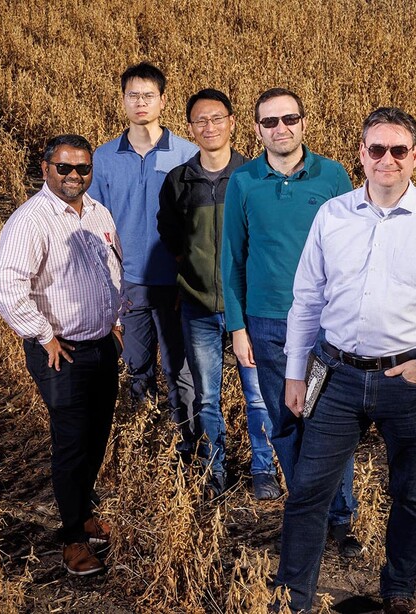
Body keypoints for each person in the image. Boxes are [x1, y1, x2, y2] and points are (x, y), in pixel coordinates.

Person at [275, 108, 416, 613]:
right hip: (339, 375)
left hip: (409, 380)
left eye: (397, 150)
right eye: (376, 150)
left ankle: (398, 590)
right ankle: (292, 598)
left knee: (411, 493)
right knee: (307, 491)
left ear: (415, 156)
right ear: (362, 155)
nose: (386, 160)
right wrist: (295, 372)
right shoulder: (334, 215)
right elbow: (306, 299)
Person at [221, 88, 361, 556]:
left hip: (325, 326)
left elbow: (358, 249)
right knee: (284, 420)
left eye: (289, 118)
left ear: (303, 122)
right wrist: (238, 327)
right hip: (266, 323)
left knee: (330, 423)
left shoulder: (334, 175)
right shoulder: (243, 182)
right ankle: (308, 511)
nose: (281, 128)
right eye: (270, 122)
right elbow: (232, 258)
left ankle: (340, 517)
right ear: (256, 129)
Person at [0, 134, 124, 576]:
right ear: (45, 168)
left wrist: (116, 322)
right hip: (61, 352)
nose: (73, 176)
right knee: (71, 444)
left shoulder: (98, 212)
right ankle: (72, 541)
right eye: (64, 168)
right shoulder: (31, 220)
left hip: (101, 345)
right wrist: (42, 335)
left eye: (83, 169)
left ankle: (83, 513)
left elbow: (113, 270)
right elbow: (7, 287)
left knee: (96, 437)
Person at [157, 88, 280, 500]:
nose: (209, 127)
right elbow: (171, 237)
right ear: (190, 128)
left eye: (217, 119)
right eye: (200, 121)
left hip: (249, 308)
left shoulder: (254, 177)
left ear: (231, 122)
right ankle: (215, 470)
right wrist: (192, 277)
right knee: (208, 397)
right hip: (198, 308)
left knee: (258, 396)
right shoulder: (179, 181)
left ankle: (264, 469)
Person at [88, 62, 199, 446]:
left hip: (175, 281)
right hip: (128, 281)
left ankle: (186, 441)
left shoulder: (187, 154)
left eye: (148, 95)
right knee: (137, 367)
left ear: (162, 101)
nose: (140, 102)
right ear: (122, 100)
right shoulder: (103, 158)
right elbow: (95, 223)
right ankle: (146, 442)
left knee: (179, 369)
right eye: (133, 95)